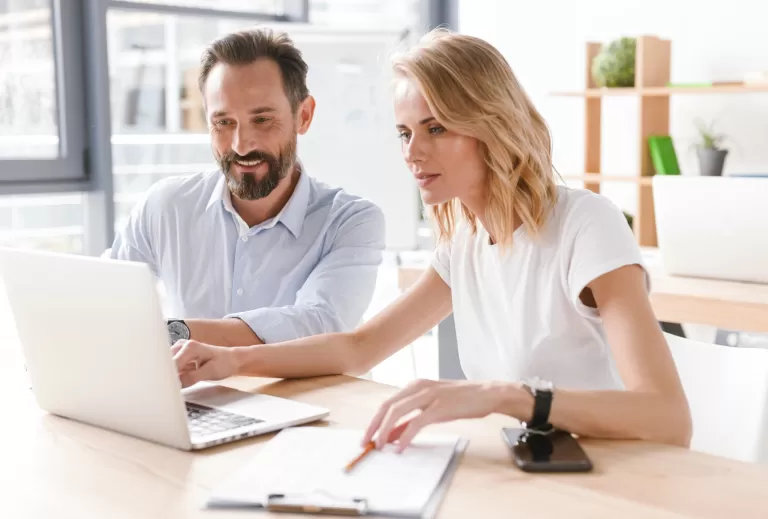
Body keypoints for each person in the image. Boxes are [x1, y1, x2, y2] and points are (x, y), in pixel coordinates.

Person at [171, 29, 692, 451]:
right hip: (528, 470)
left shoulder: (587, 224)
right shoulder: (465, 240)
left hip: (614, 482)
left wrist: (505, 397)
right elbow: (359, 348)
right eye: (404, 132)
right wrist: (232, 360)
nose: (413, 152)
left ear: (490, 124)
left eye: (436, 128)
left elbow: (668, 418)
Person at [108, 28, 386, 347]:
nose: (241, 146)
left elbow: (319, 323)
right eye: (224, 123)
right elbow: (110, 299)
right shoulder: (165, 207)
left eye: (262, 120)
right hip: (191, 396)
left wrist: (175, 332)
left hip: (301, 398)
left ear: (303, 116)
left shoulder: (349, 222)